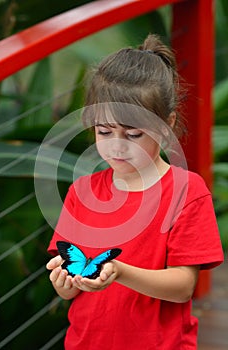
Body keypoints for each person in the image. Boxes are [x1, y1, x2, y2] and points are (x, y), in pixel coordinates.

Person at [46, 33, 224, 349]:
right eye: (104, 131)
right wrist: (64, 283)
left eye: (133, 134)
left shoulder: (186, 191)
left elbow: (183, 286)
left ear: (167, 125)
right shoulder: (81, 191)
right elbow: (70, 290)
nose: (117, 146)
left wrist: (119, 271)